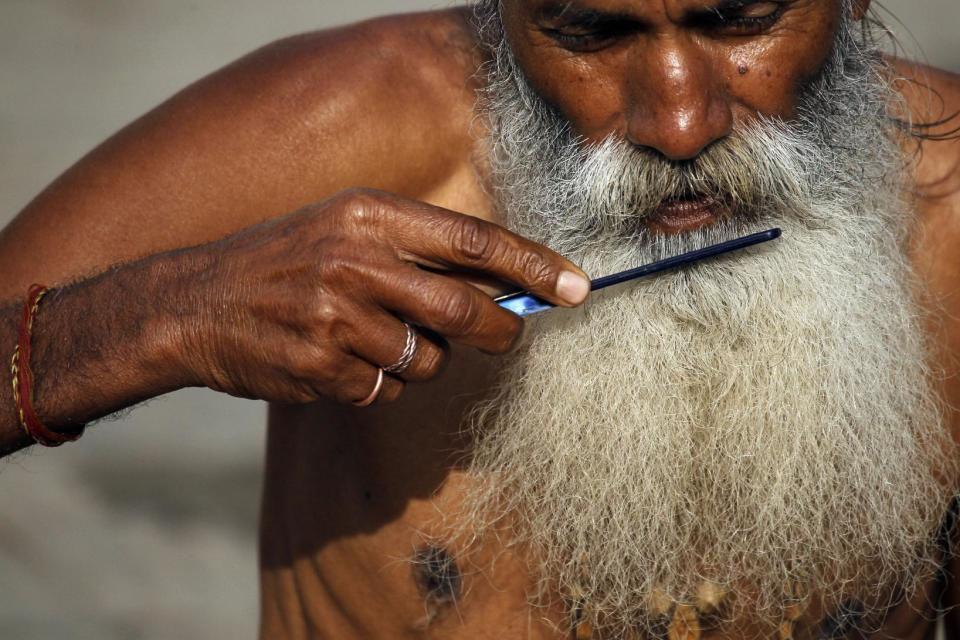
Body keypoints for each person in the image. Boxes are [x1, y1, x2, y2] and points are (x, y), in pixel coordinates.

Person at [2, 0, 960, 637]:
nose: (679, 122)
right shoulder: (360, 125)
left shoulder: (948, 212)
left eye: (740, 17)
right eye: (590, 31)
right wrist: (171, 315)